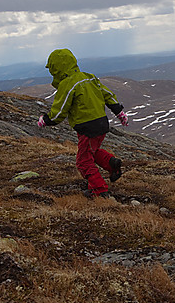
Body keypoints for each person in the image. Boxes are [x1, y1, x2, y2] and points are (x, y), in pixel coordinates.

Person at [37, 48, 128, 199]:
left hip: (87, 126)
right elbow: (107, 94)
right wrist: (119, 112)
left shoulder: (67, 84)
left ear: (57, 68)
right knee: (92, 150)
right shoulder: (89, 77)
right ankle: (111, 164)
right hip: (101, 123)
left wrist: (46, 120)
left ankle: (99, 190)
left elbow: (60, 109)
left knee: (83, 162)